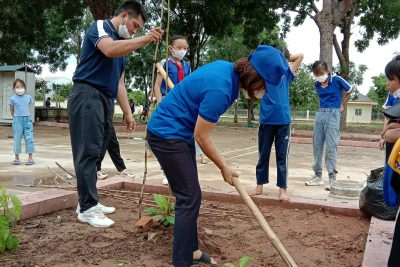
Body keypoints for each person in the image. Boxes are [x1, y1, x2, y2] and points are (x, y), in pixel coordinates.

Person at [147, 45, 286, 267]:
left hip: (179, 133)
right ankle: (181, 261)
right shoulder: (221, 89)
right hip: (167, 134)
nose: (264, 93)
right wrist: (224, 167)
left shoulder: (227, 70)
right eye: (264, 87)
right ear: (254, 77)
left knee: (191, 195)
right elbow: (201, 136)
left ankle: (191, 250)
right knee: (189, 197)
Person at [68, 0, 163, 228]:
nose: (134, 31)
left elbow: (120, 82)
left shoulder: (122, 48)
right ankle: (88, 208)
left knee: (98, 150)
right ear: (123, 16)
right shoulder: (101, 28)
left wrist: (128, 113)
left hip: (104, 100)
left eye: (138, 29)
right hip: (87, 94)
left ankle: (88, 201)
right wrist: (145, 39)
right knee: (88, 151)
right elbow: (108, 49)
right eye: (135, 25)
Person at [153, 34, 207, 186]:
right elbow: (157, 86)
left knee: (182, 138)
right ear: (171, 49)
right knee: (167, 139)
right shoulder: (165, 64)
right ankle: (166, 171)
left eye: (185, 48)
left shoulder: (187, 66)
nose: (182, 51)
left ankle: (183, 171)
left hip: (183, 106)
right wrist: (160, 102)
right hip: (169, 105)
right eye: (179, 48)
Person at [251, 46, 303, 201]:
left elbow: (300, 55)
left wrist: (284, 58)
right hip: (266, 121)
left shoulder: (287, 74)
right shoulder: (263, 74)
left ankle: (283, 189)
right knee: (263, 155)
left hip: (283, 122)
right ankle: (259, 186)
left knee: (282, 157)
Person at [305, 60, 353, 191]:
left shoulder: (337, 80)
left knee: (331, 146)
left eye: (321, 73)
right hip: (320, 114)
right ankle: (317, 176)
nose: (319, 76)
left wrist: (341, 104)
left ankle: (332, 178)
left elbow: (350, 89)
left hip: (333, 114)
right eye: (316, 74)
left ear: (327, 70)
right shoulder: (317, 84)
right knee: (317, 145)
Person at [9, 79, 35, 165]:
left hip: (27, 120)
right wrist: (16, 119)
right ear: (14, 88)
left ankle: (30, 158)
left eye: (21, 86)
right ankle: (16, 158)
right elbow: (12, 111)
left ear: (24, 87)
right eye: (17, 87)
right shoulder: (12, 99)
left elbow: (27, 106)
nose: (19, 88)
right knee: (17, 139)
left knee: (29, 138)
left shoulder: (28, 97)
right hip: (17, 120)